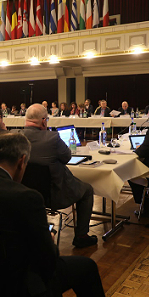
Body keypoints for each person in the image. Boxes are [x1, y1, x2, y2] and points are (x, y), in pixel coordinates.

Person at [0, 133, 112, 297]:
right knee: (86, 267)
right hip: (13, 286)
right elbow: (48, 260)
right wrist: (49, 239)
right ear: (22, 161)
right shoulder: (27, 198)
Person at [19, 104, 97, 248]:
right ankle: (81, 235)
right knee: (87, 190)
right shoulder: (52, 138)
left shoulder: (16, 137)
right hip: (53, 195)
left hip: (23, 194)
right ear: (43, 121)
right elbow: (67, 157)